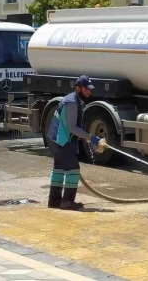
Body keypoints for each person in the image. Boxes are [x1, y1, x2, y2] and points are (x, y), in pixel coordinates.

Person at [46, 75, 106, 210]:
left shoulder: (72, 99)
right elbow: (72, 127)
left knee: (59, 169)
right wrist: (92, 138)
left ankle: (54, 201)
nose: (89, 92)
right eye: (86, 89)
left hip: (57, 138)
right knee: (73, 170)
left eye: (90, 89)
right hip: (63, 140)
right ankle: (67, 201)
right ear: (78, 88)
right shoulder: (72, 103)